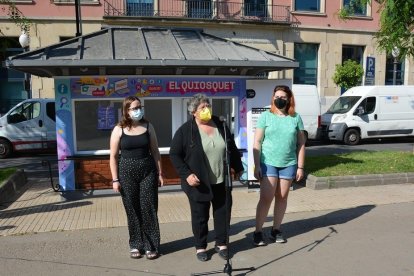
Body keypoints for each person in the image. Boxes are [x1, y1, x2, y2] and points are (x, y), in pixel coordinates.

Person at [170, 93, 244, 262]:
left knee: (222, 212)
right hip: (198, 181)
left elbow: (230, 146)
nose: (206, 109)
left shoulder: (221, 124)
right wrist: (186, 174)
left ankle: (222, 243)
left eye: (208, 105)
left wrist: (237, 166)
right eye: (202, 107)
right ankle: (201, 246)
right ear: (193, 112)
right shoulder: (185, 131)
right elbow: (174, 154)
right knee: (200, 216)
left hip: (221, 179)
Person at [109, 95, 164, 260]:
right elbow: (113, 156)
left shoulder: (148, 126)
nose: (138, 110)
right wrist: (115, 179)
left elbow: (155, 151)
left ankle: (151, 246)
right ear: (126, 110)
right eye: (134, 108)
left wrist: (160, 173)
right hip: (126, 174)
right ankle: (136, 244)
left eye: (139, 107)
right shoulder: (119, 129)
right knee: (132, 209)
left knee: (148, 208)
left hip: (148, 172)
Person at [252, 85, 306, 246]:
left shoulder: (295, 118)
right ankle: (258, 231)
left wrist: (300, 166)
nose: (279, 99)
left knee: (282, 197)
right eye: (277, 96)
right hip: (268, 163)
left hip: (289, 163)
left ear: (289, 99)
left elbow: (301, 144)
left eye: (283, 97)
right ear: (273, 98)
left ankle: (276, 230)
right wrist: (257, 165)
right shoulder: (266, 116)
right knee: (266, 198)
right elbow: (257, 142)